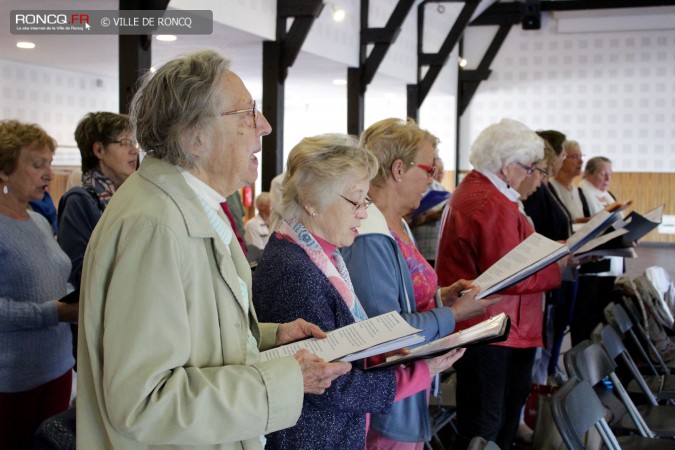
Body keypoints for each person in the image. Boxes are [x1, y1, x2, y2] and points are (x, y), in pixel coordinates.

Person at [76, 50, 351, 449]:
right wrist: (288, 379)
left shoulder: (192, 205)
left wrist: (269, 337)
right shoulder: (156, 226)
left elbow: (192, 335)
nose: (265, 126)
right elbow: (143, 402)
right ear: (194, 136)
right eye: (247, 113)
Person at [253, 134, 466, 450]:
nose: (364, 213)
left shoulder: (315, 251)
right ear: (311, 200)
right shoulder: (295, 271)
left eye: (367, 201)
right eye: (356, 200)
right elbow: (330, 383)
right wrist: (421, 372)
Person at [343, 118, 496, 449]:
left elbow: (405, 298)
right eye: (429, 168)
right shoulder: (370, 234)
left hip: (409, 386)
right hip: (389, 399)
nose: (433, 178)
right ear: (399, 169)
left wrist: (442, 297)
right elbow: (384, 331)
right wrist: (453, 315)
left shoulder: (395, 222)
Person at [436, 118, 565, 450]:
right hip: (491, 329)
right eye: (529, 167)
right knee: (486, 426)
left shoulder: (491, 194)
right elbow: (511, 273)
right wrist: (559, 265)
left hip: (501, 328)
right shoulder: (487, 201)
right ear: (508, 166)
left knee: (498, 419)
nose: (530, 175)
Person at [0, 120, 78, 449]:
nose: (48, 174)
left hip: (59, 368)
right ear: (4, 170)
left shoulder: (39, 220)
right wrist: (53, 313)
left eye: (49, 164)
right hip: (14, 380)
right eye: (37, 165)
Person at [58, 112, 136, 292]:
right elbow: (78, 273)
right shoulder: (79, 201)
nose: (134, 150)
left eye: (134, 143)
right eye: (125, 142)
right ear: (99, 150)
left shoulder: (128, 195)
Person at [409, 156, 449, 267]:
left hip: (435, 246)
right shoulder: (419, 187)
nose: (439, 175)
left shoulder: (441, 188)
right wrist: (427, 217)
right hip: (421, 245)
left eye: (442, 172)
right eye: (436, 171)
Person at [548, 140, 589, 222]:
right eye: (575, 157)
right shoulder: (549, 188)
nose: (581, 161)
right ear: (561, 158)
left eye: (581, 156)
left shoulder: (578, 191)